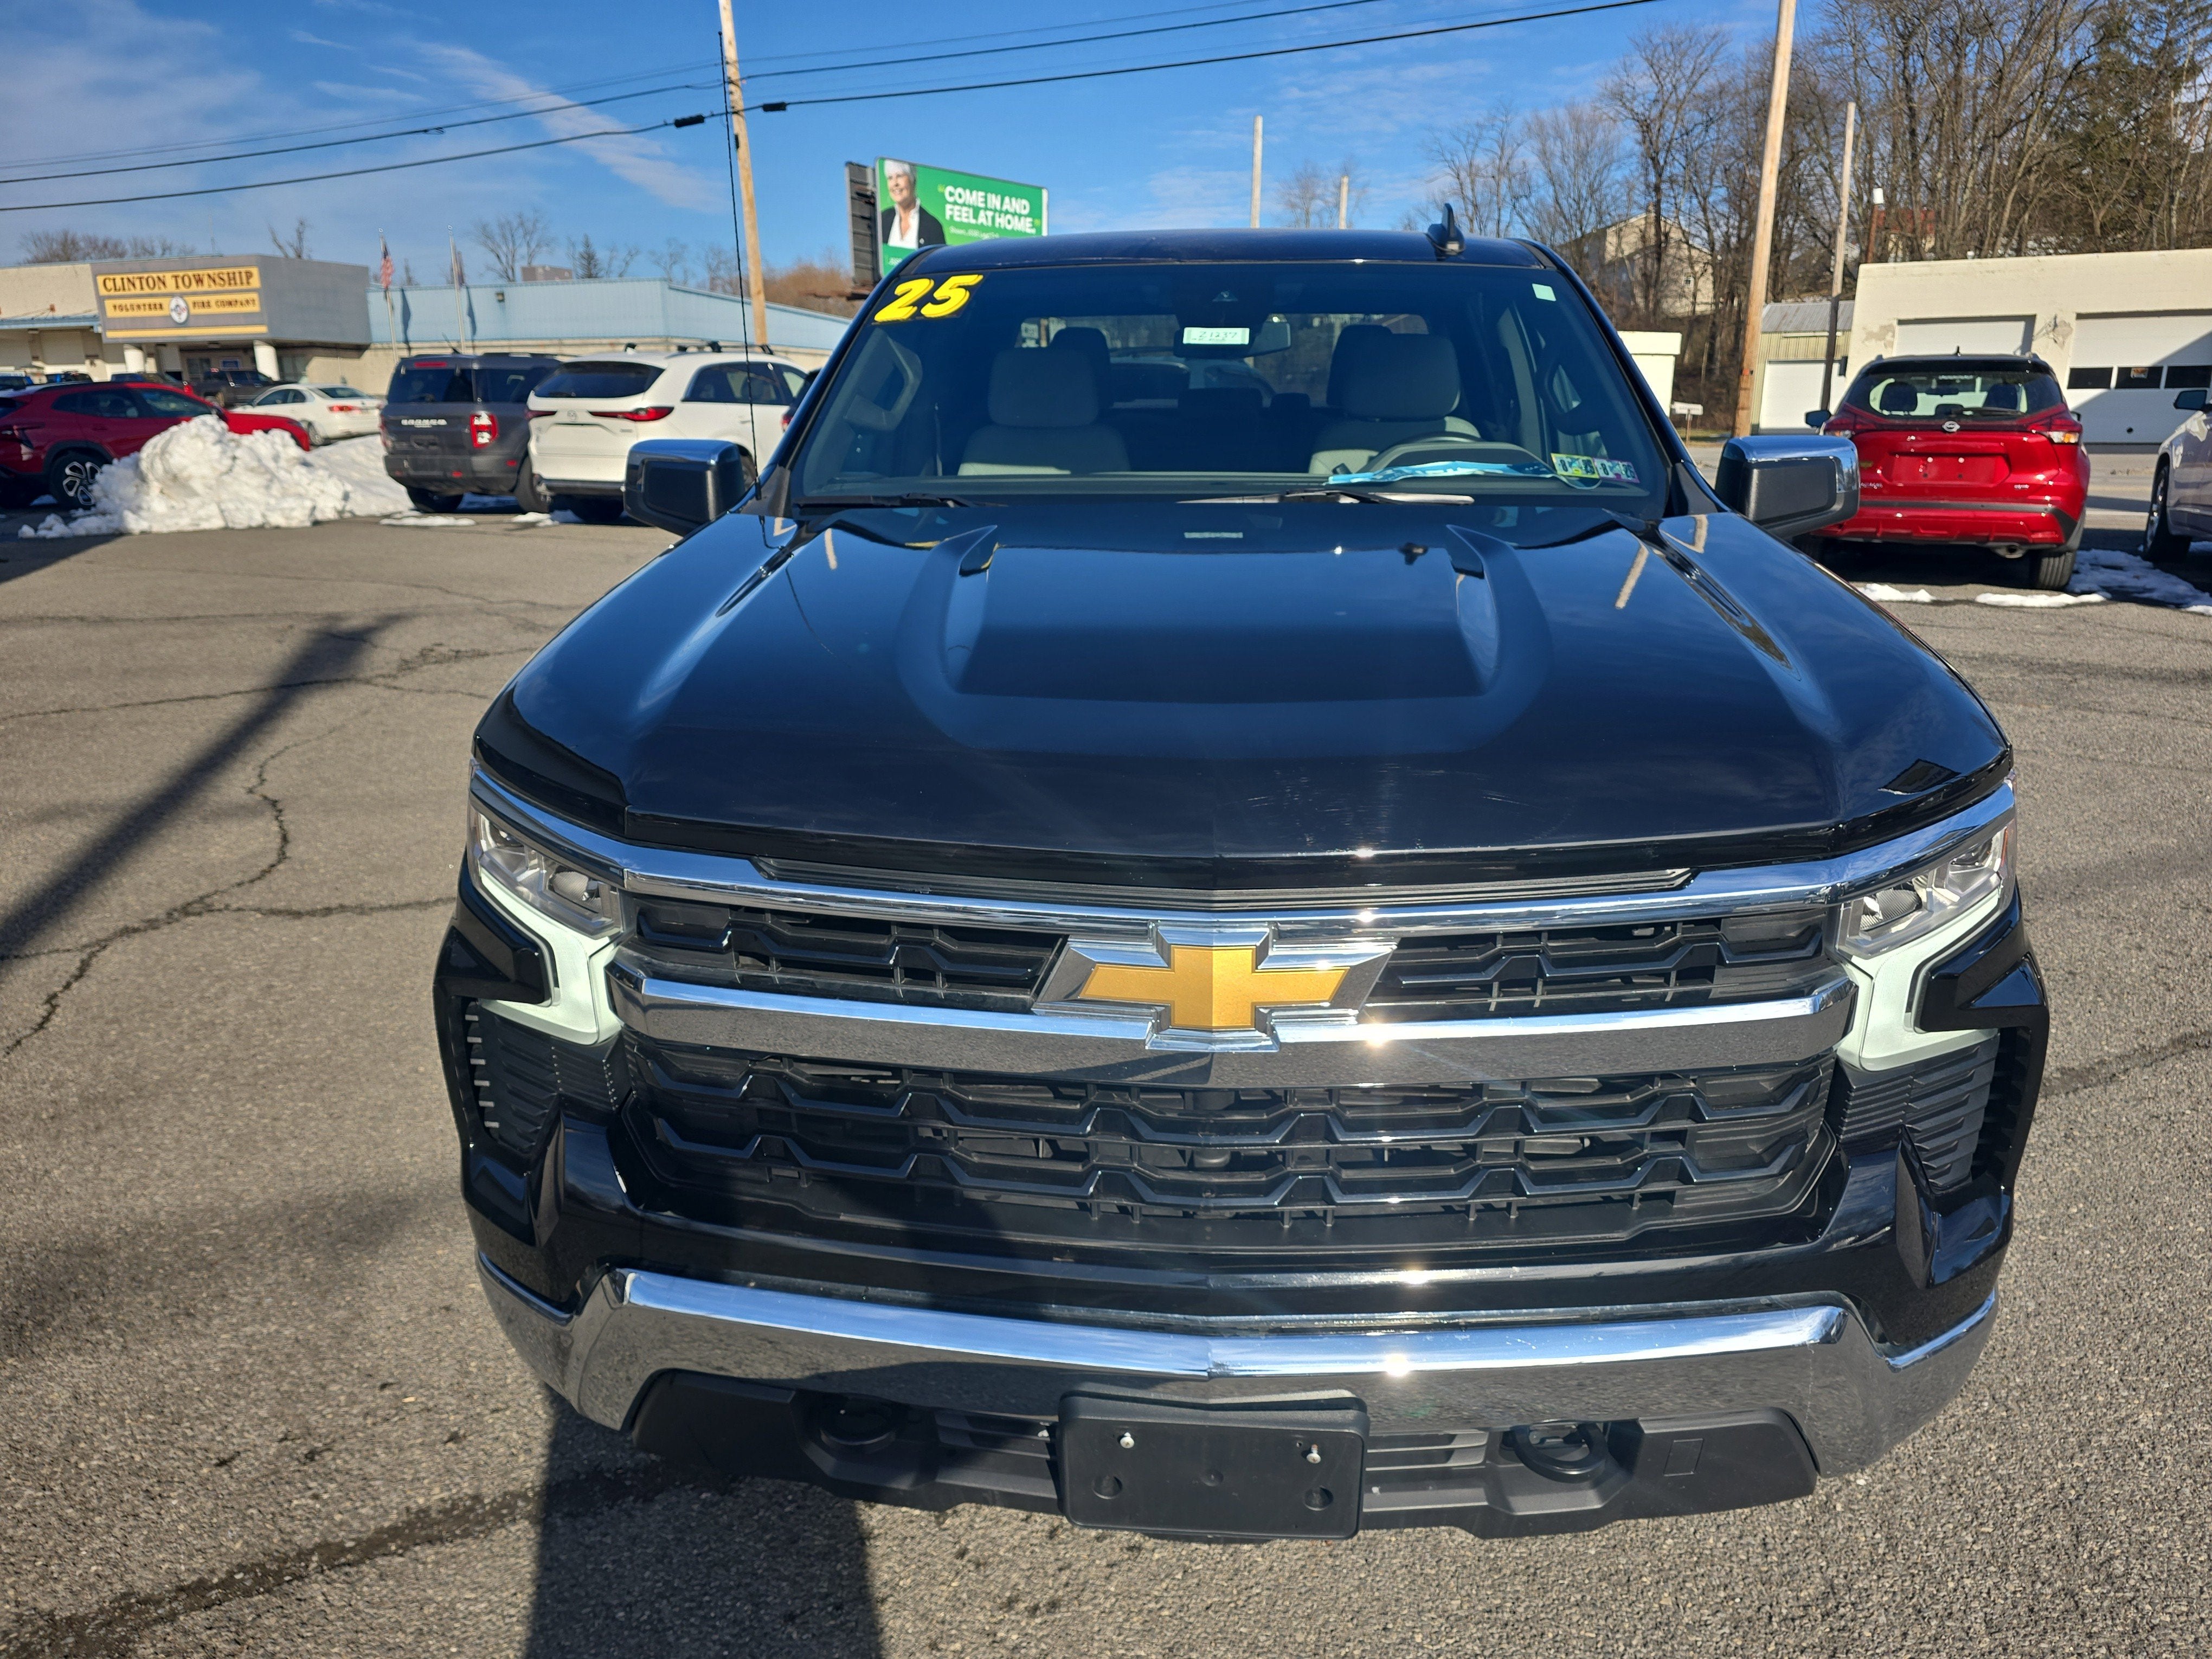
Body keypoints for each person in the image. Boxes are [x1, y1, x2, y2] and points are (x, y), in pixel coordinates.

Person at [879, 160, 945, 251]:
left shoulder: (933, 226)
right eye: (890, 178)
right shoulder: (882, 219)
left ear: (913, 179)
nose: (895, 183)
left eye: (899, 176)